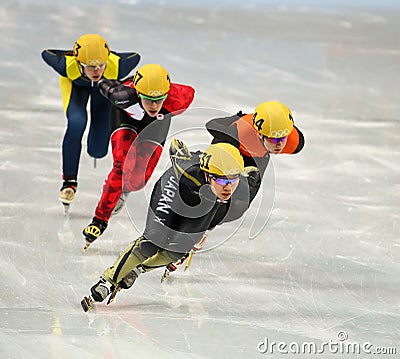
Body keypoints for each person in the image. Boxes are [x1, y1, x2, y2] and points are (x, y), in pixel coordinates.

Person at [81, 139, 249, 311]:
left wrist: (206, 231)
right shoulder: (188, 171)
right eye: (221, 181)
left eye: (233, 181)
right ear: (207, 174)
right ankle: (107, 280)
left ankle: (137, 269)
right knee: (153, 242)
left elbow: (220, 211)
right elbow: (175, 147)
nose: (228, 187)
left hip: (198, 204)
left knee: (177, 250)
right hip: (172, 189)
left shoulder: (241, 185)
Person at [162, 100, 305, 277]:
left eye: (282, 138)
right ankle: (188, 163)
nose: (279, 145)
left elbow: (296, 142)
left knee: (237, 208)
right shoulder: (238, 131)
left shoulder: (292, 140)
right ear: (259, 133)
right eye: (273, 139)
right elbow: (212, 125)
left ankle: (204, 227)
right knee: (212, 190)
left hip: (254, 161)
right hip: (230, 148)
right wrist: (236, 117)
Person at [82, 64, 195, 250]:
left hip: (155, 127)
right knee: (122, 166)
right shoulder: (122, 96)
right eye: (149, 99)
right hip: (125, 119)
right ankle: (100, 219)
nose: (154, 105)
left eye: (159, 100)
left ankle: (124, 190)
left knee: (138, 181)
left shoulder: (180, 99)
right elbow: (103, 83)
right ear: (138, 94)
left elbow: (191, 91)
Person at [41, 34, 141, 207]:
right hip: (76, 89)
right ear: (79, 63)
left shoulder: (117, 66)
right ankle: (69, 182)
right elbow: (46, 53)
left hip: (104, 89)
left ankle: (95, 151)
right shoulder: (66, 65)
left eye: (101, 65)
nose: (97, 71)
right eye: (90, 66)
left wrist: (107, 56)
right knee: (76, 123)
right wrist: (74, 53)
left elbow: (135, 56)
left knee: (98, 149)